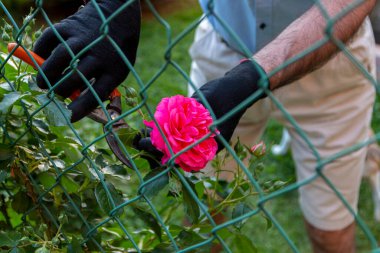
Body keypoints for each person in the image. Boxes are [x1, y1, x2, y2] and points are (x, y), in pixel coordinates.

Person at [33, 0, 376, 252]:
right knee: (202, 205)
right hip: (223, 50)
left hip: (333, 65)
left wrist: (250, 78)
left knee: (330, 228)